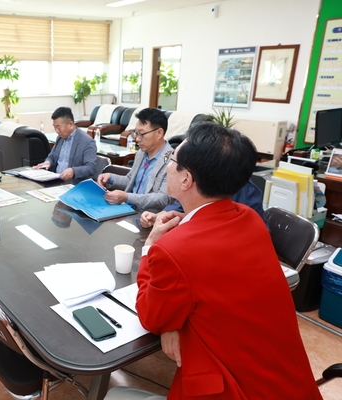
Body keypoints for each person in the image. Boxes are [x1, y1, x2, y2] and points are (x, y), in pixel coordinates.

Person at [106, 122, 321, 399]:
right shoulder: (249, 218)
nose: (168, 164)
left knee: (116, 395)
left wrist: (151, 246)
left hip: (233, 390)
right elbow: (219, 289)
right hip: (287, 385)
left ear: (186, 180)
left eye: (172, 160)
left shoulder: (174, 250)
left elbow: (150, 316)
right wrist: (175, 324)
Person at [96, 108, 172, 213]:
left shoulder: (172, 160)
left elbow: (162, 198)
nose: (137, 139)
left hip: (148, 217)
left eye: (142, 134)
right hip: (128, 210)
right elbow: (130, 180)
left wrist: (127, 197)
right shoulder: (141, 153)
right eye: (136, 134)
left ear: (159, 133)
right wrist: (110, 178)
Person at [33, 107, 96, 182]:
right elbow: (52, 157)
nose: (56, 131)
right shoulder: (60, 138)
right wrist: (48, 162)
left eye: (58, 127)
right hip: (56, 182)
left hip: (74, 185)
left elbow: (91, 168)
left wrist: (73, 171)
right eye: (55, 127)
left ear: (70, 124)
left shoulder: (87, 141)